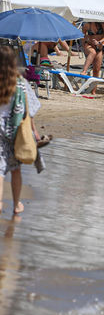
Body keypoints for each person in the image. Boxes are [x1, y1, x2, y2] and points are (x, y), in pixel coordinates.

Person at [0, 47, 42, 215]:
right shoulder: (21, 83)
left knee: (0, 170)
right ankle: (17, 205)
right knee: (15, 169)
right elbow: (29, 110)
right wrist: (35, 131)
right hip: (15, 130)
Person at [81, 21, 104, 93]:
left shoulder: (102, 24)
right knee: (92, 52)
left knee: (97, 69)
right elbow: (82, 35)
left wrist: (99, 42)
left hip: (99, 46)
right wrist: (86, 41)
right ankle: (84, 71)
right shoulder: (87, 25)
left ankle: (93, 90)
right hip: (89, 45)